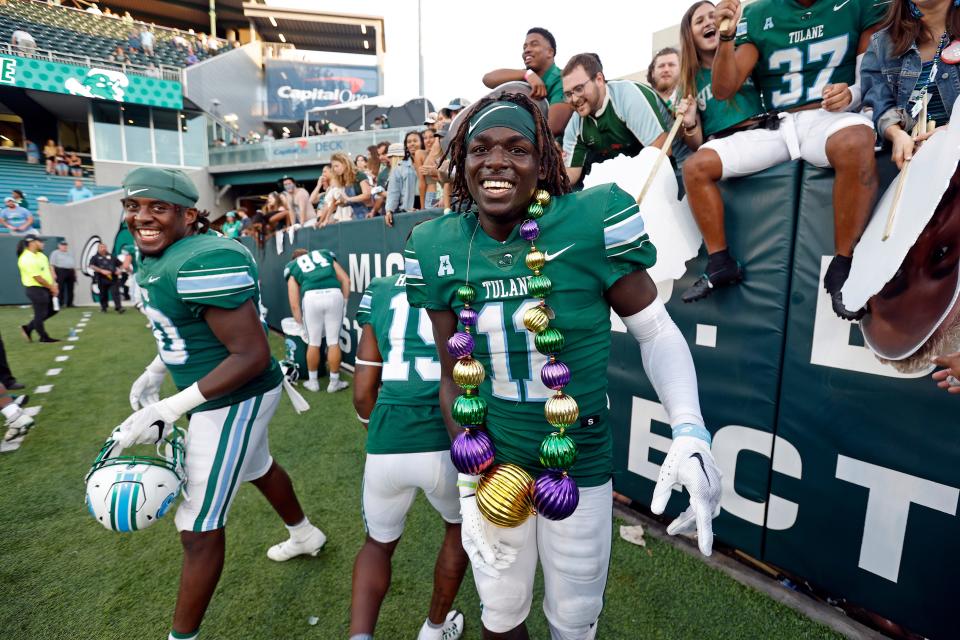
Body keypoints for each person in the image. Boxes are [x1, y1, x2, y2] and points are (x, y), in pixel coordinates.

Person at [405, 93, 721, 639]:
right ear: (461, 160)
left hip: (579, 458)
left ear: (544, 162)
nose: (496, 161)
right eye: (480, 148)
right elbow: (451, 371)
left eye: (517, 148)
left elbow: (656, 331)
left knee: (574, 617)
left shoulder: (590, 218)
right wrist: (466, 477)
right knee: (501, 612)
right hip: (493, 458)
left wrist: (690, 428)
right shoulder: (436, 244)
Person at [113, 167, 326, 640]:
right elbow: (186, 325)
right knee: (258, 467)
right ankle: (306, 535)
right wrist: (157, 369)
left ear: (189, 214)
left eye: (157, 207)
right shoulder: (162, 253)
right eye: (133, 206)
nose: (142, 217)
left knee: (197, 527)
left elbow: (251, 355)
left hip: (235, 396)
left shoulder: (201, 259)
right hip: (215, 389)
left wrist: (169, 409)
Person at [711, 0, 888, 318]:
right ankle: (718, 263)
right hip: (779, 123)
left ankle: (843, 263)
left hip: (831, 117)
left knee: (856, 141)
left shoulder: (856, 5)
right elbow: (723, 89)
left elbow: (871, 75)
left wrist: (852, 93)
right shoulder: (758, 13)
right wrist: (725, 38)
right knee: (699, 164)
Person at [350, 271, 467, 640]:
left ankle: (360, 636)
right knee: (459, 528)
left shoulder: (382, 289)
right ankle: (434, 629)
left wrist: (381, 430)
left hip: (389, 435)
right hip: (448, 432)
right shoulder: (464, 277)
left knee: (377, 544)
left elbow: (363, 389)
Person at [673, 1, 768, 303]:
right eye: (699, 20)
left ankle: (719, 262)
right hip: (720, 146)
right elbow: (697, 142)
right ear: (689, 35)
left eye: (712, 16)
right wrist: (689, 125)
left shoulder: (745, 51)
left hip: (761, 134)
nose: (708, 22)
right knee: (694, 166)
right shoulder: (686, 81)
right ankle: (719, 261)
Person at [861, 0, 959, 170]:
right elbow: (880, 104)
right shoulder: (882, 43)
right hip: (919, 164)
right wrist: (897, 134)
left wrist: (953, 131)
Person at [561, 53, 680, 186]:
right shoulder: (575, 124)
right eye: (568, 94)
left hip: (676, 165)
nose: (575, 99)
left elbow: (661, 152)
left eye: (579, 89)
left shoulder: (628, 96)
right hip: (631, 171)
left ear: (599, 79)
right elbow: (571, 173)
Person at [482, 27, 574, 137]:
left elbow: (554, 127)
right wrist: (526, 74)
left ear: (550, 52)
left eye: (534, 44)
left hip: (557, 150)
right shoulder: (526, 76)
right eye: (525, 47)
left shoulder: (563, 79)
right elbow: (487, 79)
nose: (527, 50)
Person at [284, 248, 350, 393]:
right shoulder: (324, 254)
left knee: (313, 342)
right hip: (334, 294)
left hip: (311, 298)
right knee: (333, 341)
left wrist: (300, 324)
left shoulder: (293, 266)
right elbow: (346, 279)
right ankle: (334, 382)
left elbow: (294, 304)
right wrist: (344, 302)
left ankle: (313, 382)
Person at [18, 234, 59, 343]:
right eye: (40, 241)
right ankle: (43, 337)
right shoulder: (26, 258)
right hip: (35, 289)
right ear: (32, 243)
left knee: (54, 310)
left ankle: (28, 328)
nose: (43, 243)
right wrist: (52, 288)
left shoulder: (41, 256)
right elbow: (38, 278)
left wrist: (53, 285)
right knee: (40, 314)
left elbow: (48, 271)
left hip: (46, 288)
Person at [385, 140, 418, 227]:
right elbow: (394, 192)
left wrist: (389, 210)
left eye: (390, 157)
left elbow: (393, 192)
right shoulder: (399, 169)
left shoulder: (398, 169)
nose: (388, 159)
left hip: (410, 211)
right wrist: (389, 210)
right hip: (410, 211)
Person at [89, 242, 124, 314]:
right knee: (103, 294)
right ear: (98, 248)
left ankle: (119, 307)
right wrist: (101, 271)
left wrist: (119, 270)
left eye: (104, 247)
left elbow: (120, 264)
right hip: (101, 278)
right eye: (101, 247)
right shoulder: (95, 257)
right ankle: (104, 308)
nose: (103, 248)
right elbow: (91, 266)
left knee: (115, 293)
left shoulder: (112, 256)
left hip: (113, 278)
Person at [49, 239, 77, 308]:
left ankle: (70, 303)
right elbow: (52, 265)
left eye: (65, 245)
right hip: (60, 271)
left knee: (71, 288)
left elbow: (73, 264)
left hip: (70, 271)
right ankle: (60, 303)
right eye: (63, 245)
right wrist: (53, 274)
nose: (64, 247)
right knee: (60, 288)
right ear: (59, 246)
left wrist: (75, 274)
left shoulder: (70, 253)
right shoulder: (55, 253)